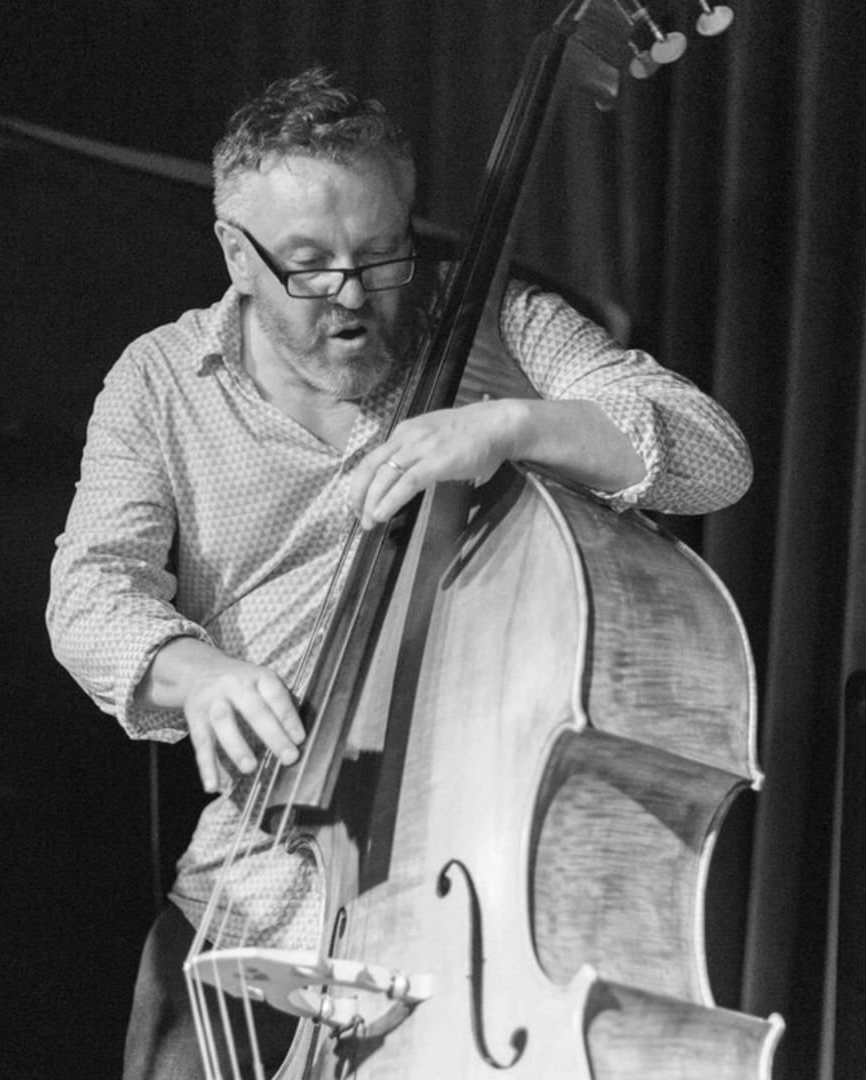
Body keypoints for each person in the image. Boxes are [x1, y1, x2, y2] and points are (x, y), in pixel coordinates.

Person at [47, 67, 752, 1079]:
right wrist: (191, 671)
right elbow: (91, 591)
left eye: (382, 256)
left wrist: (509, 424)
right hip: (249, 906)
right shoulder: (159, 381)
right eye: (308, 267)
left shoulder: (499, 333)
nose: (352, 297)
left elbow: (713, 456)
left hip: (467, 932)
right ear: (233, 255)